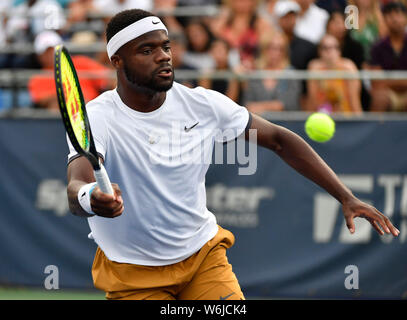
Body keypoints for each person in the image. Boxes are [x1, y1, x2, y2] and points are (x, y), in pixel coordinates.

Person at [66, 9, 399, 300]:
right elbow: (77, 183)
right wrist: (89, 197)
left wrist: (346, 196)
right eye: (147, 50)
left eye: (166, 46)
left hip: (202, 258)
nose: (163, 56)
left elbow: (280, 140)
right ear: (117, 61)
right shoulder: (96, 117)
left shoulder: (202, 104)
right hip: (133, 272)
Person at [28, 30, 112, 111]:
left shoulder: (82, 62)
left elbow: (109, 79)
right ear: (39, 56)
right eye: (46, 52)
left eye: (53, 50)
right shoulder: (38, 78)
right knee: (54, 107)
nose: (51, 54)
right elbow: (42, 101)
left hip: (93, 110)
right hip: (64, 118)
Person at [242, 32, 302, 113]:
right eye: (272, 48)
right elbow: (248, 104)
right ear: (264, 49)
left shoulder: (291, 73)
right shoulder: (255, 73)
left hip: (285, 123)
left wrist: (261, 107)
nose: (276, 53)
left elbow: (289, 104)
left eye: (281, 49)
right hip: (259, 123)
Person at [306, 34, 363, 114]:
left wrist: (359, 122)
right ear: (319, 51)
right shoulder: (315, 67)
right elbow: (312, 101)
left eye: (334, 47)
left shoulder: (348, 67)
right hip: (322, 117)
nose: (330, 51)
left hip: (345, 116)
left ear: (339, 51)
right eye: (325, 48)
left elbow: (354, 100)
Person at [368, 2, 407, 112]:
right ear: (384, 19)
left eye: (398, 14)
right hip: (388, 94)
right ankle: (373, 129)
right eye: (390, 15)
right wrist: (403, 80)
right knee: (380, 98)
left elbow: (382, 81)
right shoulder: (377, 47)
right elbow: (376, 82)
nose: (394, 19)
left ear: (405, 18)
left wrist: (388, 80)